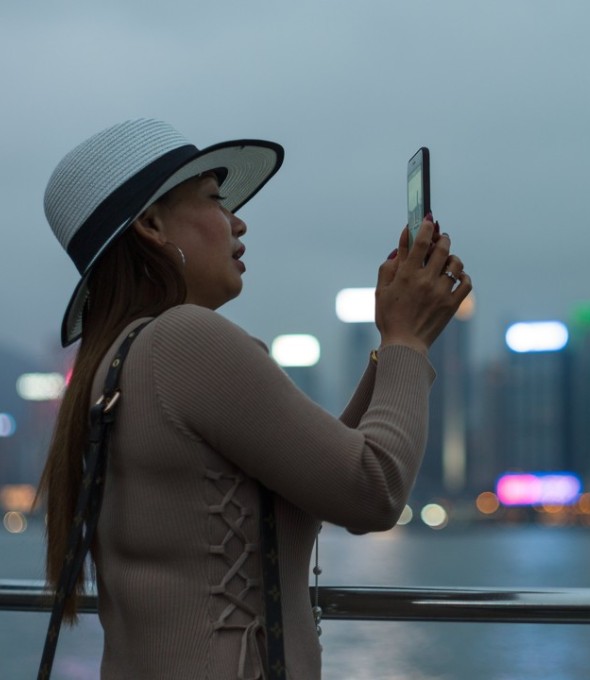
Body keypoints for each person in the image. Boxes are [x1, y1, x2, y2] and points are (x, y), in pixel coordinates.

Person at [37, 118, 472, 679]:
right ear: (150, 224)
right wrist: (407, 343)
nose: (238, 221)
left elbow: (314, 482)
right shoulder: (186, 339)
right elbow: (373, 490)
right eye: (217, 200)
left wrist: (395, 341)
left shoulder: (119, 357)